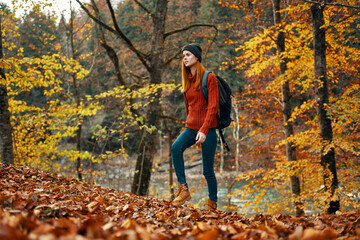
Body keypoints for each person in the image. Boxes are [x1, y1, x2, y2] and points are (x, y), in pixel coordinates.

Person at [171, 43, 219, 211]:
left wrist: (204, 130)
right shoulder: (186, 81)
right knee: (175, 148)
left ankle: (212, 204)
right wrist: (191, 126)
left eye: (188, 54)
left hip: (208, 129)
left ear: (197, 57)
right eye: (183, 55)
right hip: (191, 128)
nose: (185, 57)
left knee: (207, 171)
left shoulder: (209, 78)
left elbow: (213, 107)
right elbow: (188, 107)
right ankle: (183, 189)